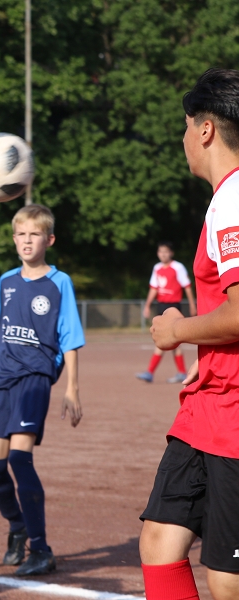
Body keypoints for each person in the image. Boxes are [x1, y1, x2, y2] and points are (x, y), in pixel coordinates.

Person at [142, 68, 239, 600]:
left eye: (184, 126)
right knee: (160, 541)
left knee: (227, 580)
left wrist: (177, 330)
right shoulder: (225, 197)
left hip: (233, 415)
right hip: (208, 406)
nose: (182, 140)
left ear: (204, 130)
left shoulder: (234, 197)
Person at [0, 204, 84, 577]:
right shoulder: (6, 281)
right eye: (21, 234)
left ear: (48, 239)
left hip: (34, 378)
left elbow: (70, 337)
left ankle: (42, 549)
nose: (26, 240)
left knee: (20, 460)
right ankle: (18, 527)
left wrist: (72, 388)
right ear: (14, 238)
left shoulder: (59, 282)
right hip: (0, 378)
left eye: (34, 234)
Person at [136, 242, 197, 384]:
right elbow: (154, 288)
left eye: (166, 251)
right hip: (161, 305)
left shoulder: (178, 267)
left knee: (164, 339)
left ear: (171, 253)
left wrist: (193, 305)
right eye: (160, 252)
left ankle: (150, 372)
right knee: (171, 341)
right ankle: (181, 373)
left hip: (173, 306)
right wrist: (147, 305)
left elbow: (187, 287)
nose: (163, 254)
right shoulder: (157, 268)